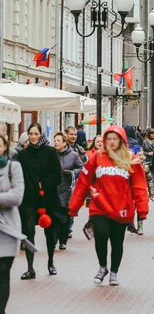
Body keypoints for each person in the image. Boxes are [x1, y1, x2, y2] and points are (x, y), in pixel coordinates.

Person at [69, 125, 149, 285]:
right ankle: (102, 266)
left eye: (115, 139)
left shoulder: (129, 158)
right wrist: (74, 207)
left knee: (117, 241)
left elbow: (139, 185)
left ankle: (114, 272)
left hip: (121, 208)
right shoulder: (97, 157)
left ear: (121, 140)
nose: (112, 142)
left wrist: (142, 209)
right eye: (109, 139)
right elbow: (83, 182)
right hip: (100, 206)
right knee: (100, 235)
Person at [18, 123, 65, 280]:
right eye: (30, 134)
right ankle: (30, 268)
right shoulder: (23, 155)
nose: (32, 137)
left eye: (35, 134)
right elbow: (21, 176)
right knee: (28, 231)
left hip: (48, 198)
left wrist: (43, 184)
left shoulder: (51, 152)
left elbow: (58, 176)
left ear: (41, 135)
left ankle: (51, 262)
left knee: (49, 232)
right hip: (29, 199)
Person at [0, 133, 25, 312]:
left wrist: (9, 196)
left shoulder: (12, 167)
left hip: (7, 230)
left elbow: (17, 197)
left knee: (2, 273)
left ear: (5, 147)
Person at [53, 131, 83, 250]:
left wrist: (72, 173)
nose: (55, 142)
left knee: (64, 216)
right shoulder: (52, 154)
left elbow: (81, 168)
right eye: (54, 140)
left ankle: (63, 240)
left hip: (67, 189)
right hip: (53, 189)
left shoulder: (73, 155)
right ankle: (53, 239)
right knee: (53, 215)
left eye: (58, 140)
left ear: (64, 143)